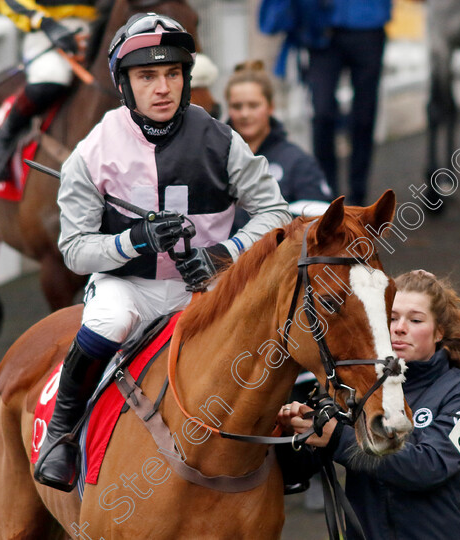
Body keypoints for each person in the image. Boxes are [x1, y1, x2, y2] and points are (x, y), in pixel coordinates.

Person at [33, 13, 292, 492]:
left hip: (209, 287)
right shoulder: (91, 153)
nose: (163, 87)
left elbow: (276, 213)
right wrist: (133, 241)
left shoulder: (221, 139)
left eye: (173, 73)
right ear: (125, 84)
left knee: (278, 327)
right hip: (128, 287)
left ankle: (291, 446)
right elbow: (73, 250)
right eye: (147, 76)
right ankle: (62, 434)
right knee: (107, 322)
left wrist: (225, 254)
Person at [276, 269, 460, 539]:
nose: (399, 328)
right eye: (391, 317)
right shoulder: (355, 391)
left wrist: (338, 438)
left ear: (438, 332)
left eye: (415, 320)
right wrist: (296, 432)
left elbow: (428, 468)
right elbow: (296, 474)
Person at [0, 0, 97, 180]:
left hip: (101, 26)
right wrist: (45, 22)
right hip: (48, 31)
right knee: (52, 76)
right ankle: (6, 135)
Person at [225, 59, 333, 230]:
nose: (244, 114)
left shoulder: (298, 162)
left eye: (253, 105)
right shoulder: (213, 158)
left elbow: (321, 227)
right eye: (237, 106)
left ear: (270, 107)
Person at [305, 0, 391, 206]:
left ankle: (358, 197)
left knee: (364, 117)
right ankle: (327, 197)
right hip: (322, 26)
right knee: (322, 113)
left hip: (367, 24)